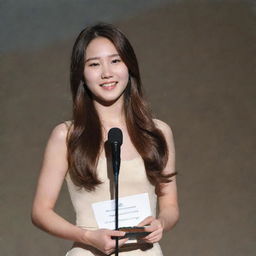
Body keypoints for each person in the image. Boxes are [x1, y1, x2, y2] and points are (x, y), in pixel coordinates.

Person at [31, 23, 179, 256]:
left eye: (115, 60)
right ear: (81, 72)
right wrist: (87, 236)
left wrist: (161, 223)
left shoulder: (158, 131)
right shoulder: (67, 136)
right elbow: (40, 212)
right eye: (94, 64)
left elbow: (169, 204)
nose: (106, 72)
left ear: (129, 66)